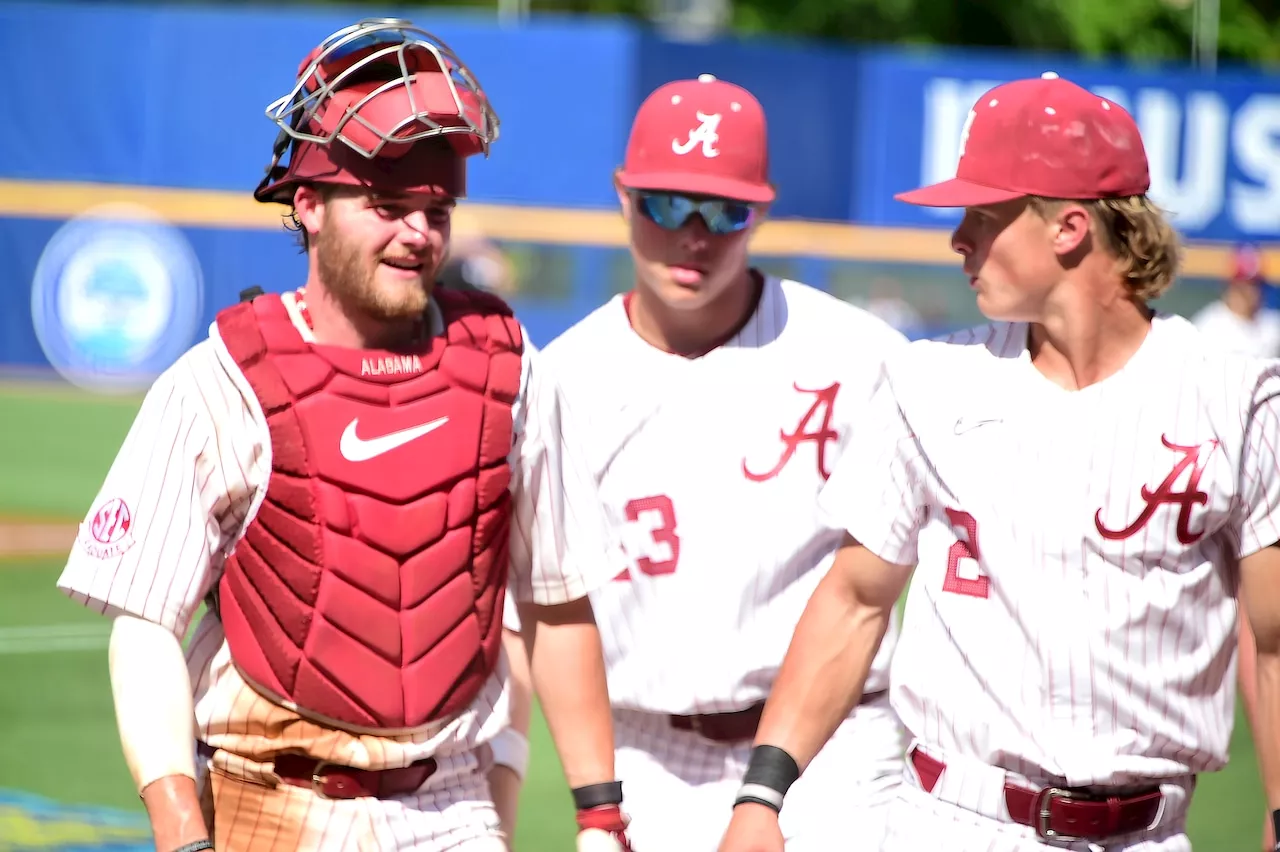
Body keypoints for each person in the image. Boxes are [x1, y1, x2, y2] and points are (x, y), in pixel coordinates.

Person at [53, 18, 632, 852]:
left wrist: (600, 815)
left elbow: (557, 600)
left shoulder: (508, 369)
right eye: (389, 207)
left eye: (438, 211)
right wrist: (181, 830)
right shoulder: (225, 378)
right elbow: (145, 622)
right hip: (264, 797)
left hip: (452, 805)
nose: (419, 235)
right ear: (310, 205)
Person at [718, 71, 1280, 852]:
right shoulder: (930, 382)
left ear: (1069, 228)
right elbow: (854, 599)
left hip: (1149, 832)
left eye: (984, 215)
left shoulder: (1237, 398)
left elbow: (1274, 638)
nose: (958, 239)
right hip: (953, 820)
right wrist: (762, 797)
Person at [503, 73, 910, 850]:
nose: (694, 233)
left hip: (837, 749)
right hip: (645, 753)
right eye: (667, 203)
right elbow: (534, 621)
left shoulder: (858, 356)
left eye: (726, 210)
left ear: (763, 209)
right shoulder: (562, 380)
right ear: (624, 196)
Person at [1189, 242, 1280, 358]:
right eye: (1246, 285)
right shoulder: (1208, 327)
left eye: (1257, 284)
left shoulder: (1272, 324)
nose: (1252, 292)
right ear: (1231, 285)